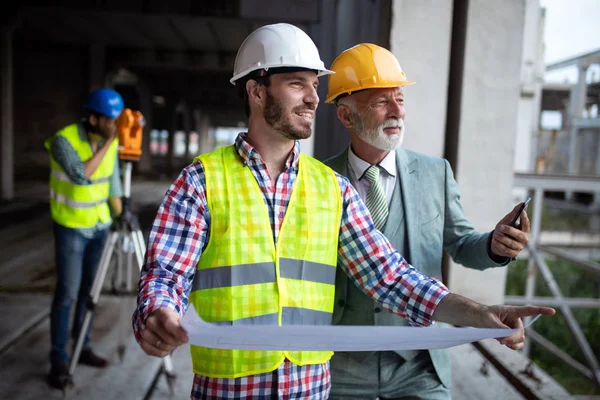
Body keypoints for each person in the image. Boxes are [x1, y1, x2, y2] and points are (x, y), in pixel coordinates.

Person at [132, 24, 553, 400]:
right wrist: (159, 314)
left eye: (315, 86)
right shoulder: (201, 182)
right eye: (298, 84)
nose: (314, 97)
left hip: (310, 388)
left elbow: (391, 278)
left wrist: (480, 316)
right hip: (230, 388)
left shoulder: (332, 189)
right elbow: (165, 276)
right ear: (256, 91)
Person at [323, 42, 532, 400]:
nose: (397, 112)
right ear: (345, 116)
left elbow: (462, 244)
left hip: (419, 362)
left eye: (400, 100)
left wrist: (493, 247)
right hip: (341, 361)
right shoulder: (319, 180)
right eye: (381, 102)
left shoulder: (435, 173)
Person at [44, 88, 125, 389]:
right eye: (110, 119)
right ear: (93, 118)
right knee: (67, 293)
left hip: (99, 227)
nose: (116, 125)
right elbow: (82, 174)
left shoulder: (109, 142)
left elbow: (112, 184)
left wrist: (121, 214)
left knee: (89, 294)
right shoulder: (63, 140)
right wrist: (109, 144)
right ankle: (59, 360)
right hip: (71, 227)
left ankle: (83, 347)